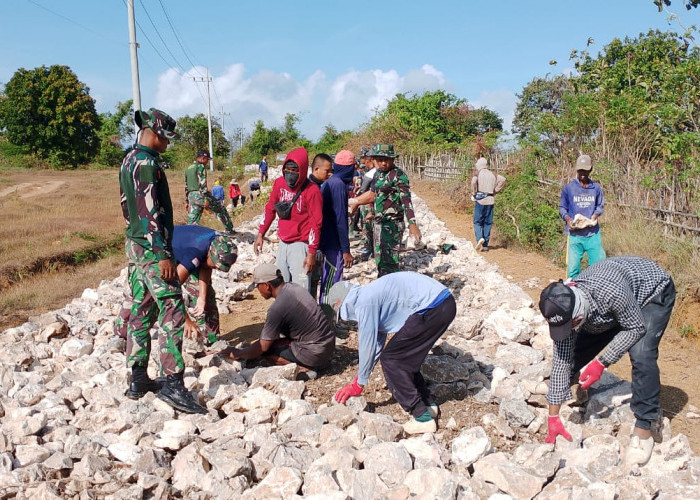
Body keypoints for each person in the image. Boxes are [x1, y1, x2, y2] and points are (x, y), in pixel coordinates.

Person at [539, 256, 676, 467]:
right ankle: (568, 391)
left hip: (652, 293)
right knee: (572, 354)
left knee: (642, 354)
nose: (570, 329)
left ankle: (644, 429)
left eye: (572, 325)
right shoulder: (566, 306)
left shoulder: (610, 292)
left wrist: (601, 362)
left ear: (578, 315)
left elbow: (635, 327)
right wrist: (553, 417)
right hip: (612, 307)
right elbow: (562, 357)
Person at [119, 107, 205, 414]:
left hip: (135, 246)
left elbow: (128, 209)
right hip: (152, 250)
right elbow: (149, 211)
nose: (168, 144)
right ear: (153, 134)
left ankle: (138, 377)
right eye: (166, 138)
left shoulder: (129, 158)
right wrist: (162, 254)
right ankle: (173, 382)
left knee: (142, 309)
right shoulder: (145, 163)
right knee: (172, 309)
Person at [327, 272, 456, 434]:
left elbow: (367, 344)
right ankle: (428, 405)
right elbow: (376, 345)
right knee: (405, 358)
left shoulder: (364, 303)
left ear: (344, 305)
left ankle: (422, 417)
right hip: (443, 304)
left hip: (433, 307)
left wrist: (358, 384)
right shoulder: (369, 295)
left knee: (392, 360)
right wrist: (361, 378)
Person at [116, 225, 238, 346]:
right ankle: (122, 332)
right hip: (150, 251)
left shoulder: (220, 243)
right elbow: (170, 290)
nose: (216, 268)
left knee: (207, 298)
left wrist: (201, 298)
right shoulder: (196, 252)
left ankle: (210, 340)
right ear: (210, 254)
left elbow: (206, 267)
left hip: (182, 250)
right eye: (215, 265)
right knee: (147, 296)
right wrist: (187, 321)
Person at [220, 263, 335, 378]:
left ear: (266, 285)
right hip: (328, 347)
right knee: (270, 344)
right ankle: (314, 363)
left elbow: (263, 346)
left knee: (266, 351)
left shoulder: (277, 308)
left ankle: (303, 370)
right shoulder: (295, 287)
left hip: (315, 354)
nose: (258, 290)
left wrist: (238, 353)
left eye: (258, 285)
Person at [254, 147, 323, 294]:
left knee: (301, 291)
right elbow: (270, 209)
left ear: (303, 170)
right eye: (287, 170)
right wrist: (261, 233)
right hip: (283, 244)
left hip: (301, 245)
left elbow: (316, 224)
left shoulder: (312, 191)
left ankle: (305, 317)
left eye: (295, 170)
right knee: (281, 288)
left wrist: (311, 253)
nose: (290, 174)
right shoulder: (279, 183)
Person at [348, 143, 421, 276]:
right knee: (379, 257)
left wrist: (412, 224)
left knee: (390, 259)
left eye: (386, 159)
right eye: (380, 160)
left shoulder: (399, 176)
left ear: (393, 159)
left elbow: (406, 201)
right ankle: (384, 283)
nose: (383, 163)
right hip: (378, 223)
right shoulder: (378, 175)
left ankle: (393, 287)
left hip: (392, 224)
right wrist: (369, 209)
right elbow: (374, 195)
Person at [560, 154, 605, 278]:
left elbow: (600, 205)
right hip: (575, 235)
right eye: (580, 170)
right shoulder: (569, 188)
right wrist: (568, 219)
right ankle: (574, 293)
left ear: (590, 170)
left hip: (593, 234)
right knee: (572, 270)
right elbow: (562, 208)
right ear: (577, 170)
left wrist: (595, 216)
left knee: (599, 267)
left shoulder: (596, 188)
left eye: (585, 170)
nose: (583, 173)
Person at [318, 150, 355, 303]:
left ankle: (328, 318)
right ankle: (329, 320)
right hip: (333, 242)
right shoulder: (339, 185)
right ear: (349, 169)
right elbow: (340, 219)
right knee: (333, 282)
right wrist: (346, 249)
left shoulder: (330, 182)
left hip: (325, 239)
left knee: (328, 279)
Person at [185, 149, 234, 233]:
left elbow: (186, 186)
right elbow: (203, 184)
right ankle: (229, 229)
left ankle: (189, 236)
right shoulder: (201, 167)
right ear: (203, 158)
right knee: (220, 208)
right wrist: (206, 199)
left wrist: (187, 201)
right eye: (207, 159)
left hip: (191, 196)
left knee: (192, 219)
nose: (207, 162)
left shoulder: (188, 168)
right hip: (200, 195)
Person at [308, 153, 335, 299]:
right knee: (310, 279)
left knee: (314, 278)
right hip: (311, 242)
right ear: (316, 169)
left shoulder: (322, 186)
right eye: (327, 171)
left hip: (318, 240)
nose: (330, 174)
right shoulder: (310, 189)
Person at [470, 157, 506, 252]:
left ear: (479, 165)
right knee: (488, 222)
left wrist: (474, 193)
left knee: (477, 222)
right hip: (490, 200)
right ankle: (485, 245)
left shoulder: (478, 173)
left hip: (480, 201)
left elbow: (473, 182)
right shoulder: (492, 174)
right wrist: (495, 191)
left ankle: (479, 238)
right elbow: (503, 179)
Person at [356, 147, 376, 262]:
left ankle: (369, 249)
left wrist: (356, 200)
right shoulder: (371, 172)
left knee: (368, 227)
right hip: (369, 203)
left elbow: (364, 189)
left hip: (368, 203)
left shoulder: (370, 173)